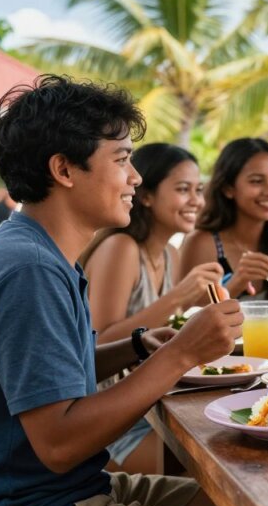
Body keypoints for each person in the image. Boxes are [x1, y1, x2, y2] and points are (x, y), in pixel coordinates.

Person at [0, 74, 241, 506]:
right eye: (122, 159)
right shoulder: (30, 268)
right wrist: (182, 353)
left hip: (79, 485)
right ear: (63, 170)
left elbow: (56, 376)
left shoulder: (41, 253)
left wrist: (138, 346)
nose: (135, 177)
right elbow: (58, 444)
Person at [79, 143, 224, 475]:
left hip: (151, 406)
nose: (196, 201)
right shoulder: (121, 247)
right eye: (183, 189)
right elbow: (99, 341)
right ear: (146, 195)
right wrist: (179, 297)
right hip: (112, 421)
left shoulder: (170, 256)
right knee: (211, 465)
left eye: (198, 190)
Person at [179, 138, 268, 302]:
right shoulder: (201, 243)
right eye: (256, 181)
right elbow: (187, 319)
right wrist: (236, 283)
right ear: (228, 189)